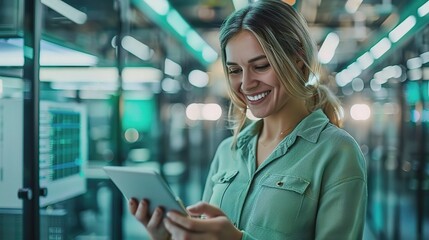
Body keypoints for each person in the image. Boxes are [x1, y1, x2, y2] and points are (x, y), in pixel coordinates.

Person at [128, 0, 367, 239]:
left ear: (299, 62)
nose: (246, 83)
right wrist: (169, 236)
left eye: (261, 66)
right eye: (234, 70)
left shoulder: (337, 152)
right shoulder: (227, 152)